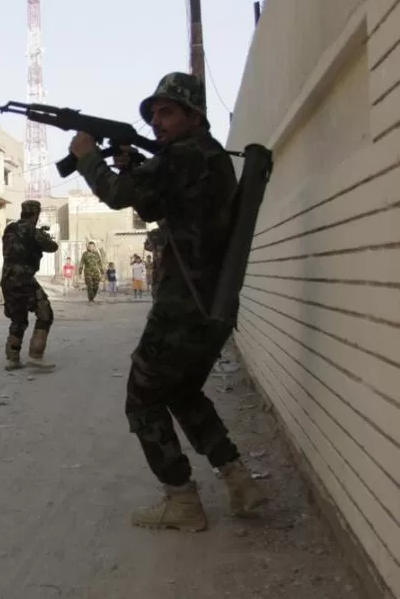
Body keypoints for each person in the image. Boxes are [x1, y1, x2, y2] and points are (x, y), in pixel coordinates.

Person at [67, 72, 264, 532]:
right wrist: (129, 162)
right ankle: (240, 481)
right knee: (180, 390)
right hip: (212, 301)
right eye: (153, 113)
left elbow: (118, 196)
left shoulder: (183, 154)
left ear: (194, 114)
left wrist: (87, 156)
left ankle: (182, 501)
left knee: (141, 399)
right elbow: (154, 206)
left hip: (185, 304)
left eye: (167, 111)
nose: (156, 121)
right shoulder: (207, 158)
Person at [0, 200, 58, 371]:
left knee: (18, 318)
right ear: (36, 214)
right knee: (45, 313)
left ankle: (12, 359)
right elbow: (52, 247)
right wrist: (44, 236)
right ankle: (36, 355)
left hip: (7, 280)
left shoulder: (9, 228)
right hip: (23, 279)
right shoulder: (33, 231)